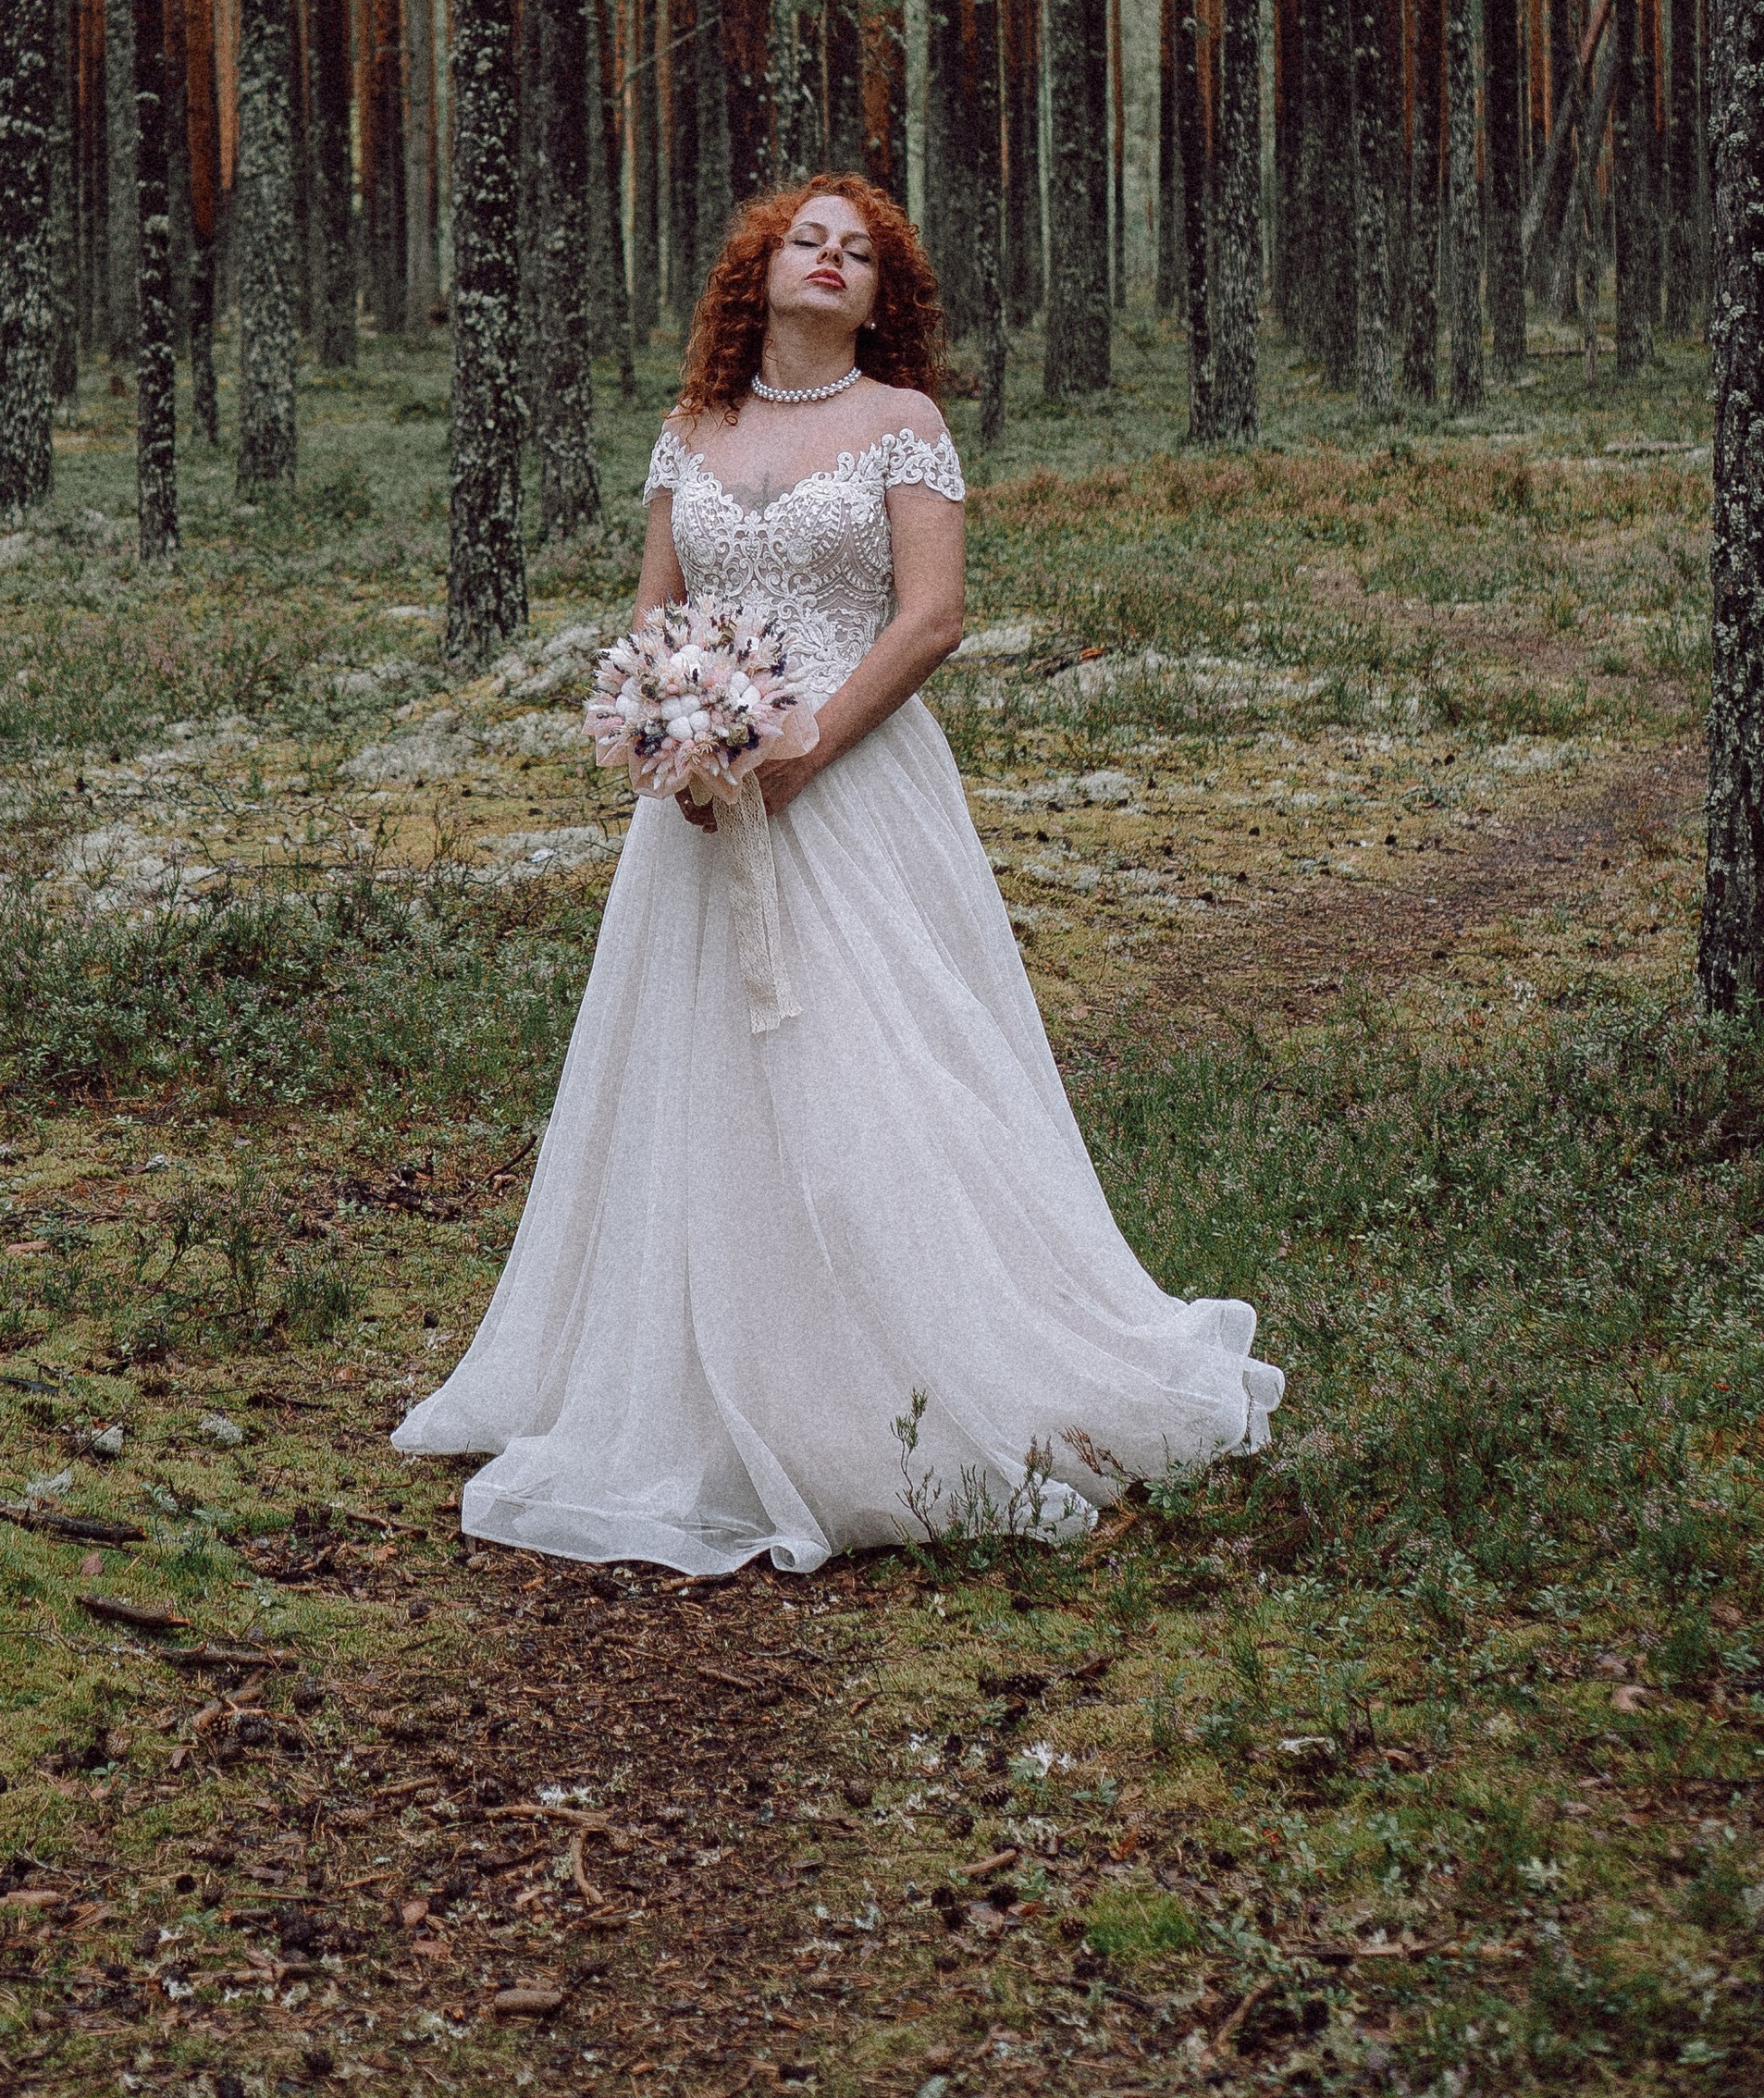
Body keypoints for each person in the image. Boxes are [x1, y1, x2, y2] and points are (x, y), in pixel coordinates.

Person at [394, 176, 1281, 1575]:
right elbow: (656, 612)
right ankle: (697, 1381)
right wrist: (670, 733)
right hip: (704, 802)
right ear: (759, 270)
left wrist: (805, 750)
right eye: (806, 239)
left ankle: (902, 1379)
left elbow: (933, 619)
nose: (830, 259)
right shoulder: (691, 428)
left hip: (856, 782)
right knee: (698, 1073)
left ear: (881, 294)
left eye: (857, 251)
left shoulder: (902, 425)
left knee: (877, 1061)